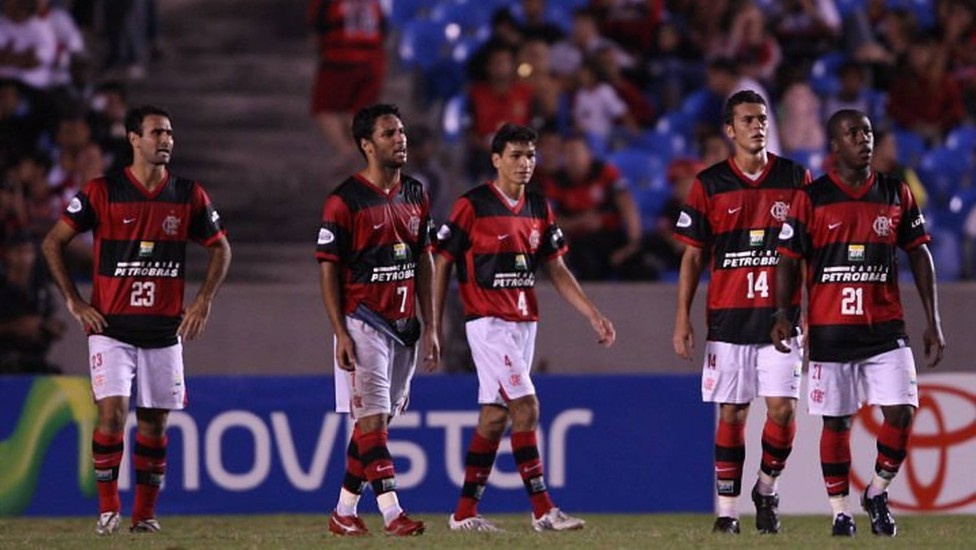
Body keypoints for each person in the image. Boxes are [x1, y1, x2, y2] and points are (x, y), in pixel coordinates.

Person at [40, 105, 231, 535]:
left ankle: (145, 517)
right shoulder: (101, 191)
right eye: (157, 132)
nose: (166, 140)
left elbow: (222, 248)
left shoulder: (187, 194)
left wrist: (203, 301)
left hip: (164, 331)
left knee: (154, 423)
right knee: (112, 413)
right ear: (133, 139)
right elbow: (53, 243)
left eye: (169, 133)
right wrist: (74, 301)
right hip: (111, 328)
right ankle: (108, 510)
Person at [434, 123, 616, 533]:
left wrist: (592, 312)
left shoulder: (538, 207)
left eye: (530, 156)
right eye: (515, 155)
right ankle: (543, 510)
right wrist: (435, 326)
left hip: (524, 322)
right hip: (488, 323)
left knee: (494, 418)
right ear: (496, 159)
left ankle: (463, 514)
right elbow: (442, 259)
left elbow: (555, 267)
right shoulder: (473, 205)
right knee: (527, 407)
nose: (524, 163)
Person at [772, 109, 945, 537]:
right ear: (834, 145)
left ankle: (878, 491)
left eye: (867, 131)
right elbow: (788, 261)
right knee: (837, 422)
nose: (862, 138)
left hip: (886, 330)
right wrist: (782, 314)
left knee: (902, 414)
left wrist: (933, 319)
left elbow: (920, 254)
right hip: (831, 332)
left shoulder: (894, 192)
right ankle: (840, 511)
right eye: (852, 133)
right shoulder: (811, 198)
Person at [672, 90, 810, 535]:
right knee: (731, 414)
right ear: (730, 130)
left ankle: (766, 489)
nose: (758, 126)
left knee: (783, 410)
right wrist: (682, 319)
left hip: (780, 321)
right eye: (748, 120)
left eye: (763, 119)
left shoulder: (795, 178)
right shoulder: (709, 184)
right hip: (728, 322)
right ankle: (727, 514)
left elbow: (810, 252)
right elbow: (692, 257)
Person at [315, 103, 438, 537]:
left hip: (404, 324)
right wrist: (339, 333)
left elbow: (424, 260)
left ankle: (343, 513)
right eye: (389, 133)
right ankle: (393, 513)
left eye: (401, 131)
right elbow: (328, 269)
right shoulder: (344, 201)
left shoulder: (417, 194)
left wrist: (433, 324)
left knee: (377, 422)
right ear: (366, 144)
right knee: (371, 420)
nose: (400, 139)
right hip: (363, 321)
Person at [307, 0, 386, 164]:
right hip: (373, 61)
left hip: (340, 59)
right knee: (356, 114)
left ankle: (347, 153)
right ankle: (360, 158)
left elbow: (317, 27)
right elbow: (384, 28)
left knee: (323, 111)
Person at [0, 230, 64, 374]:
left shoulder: (40, 290)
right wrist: (14, 327)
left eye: (28, 252)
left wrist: (48, 326)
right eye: (18, 252)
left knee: (56, 376)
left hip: (34, 359)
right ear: (8, 254)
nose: (24, 258)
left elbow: (54, 322)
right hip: (4, 359)